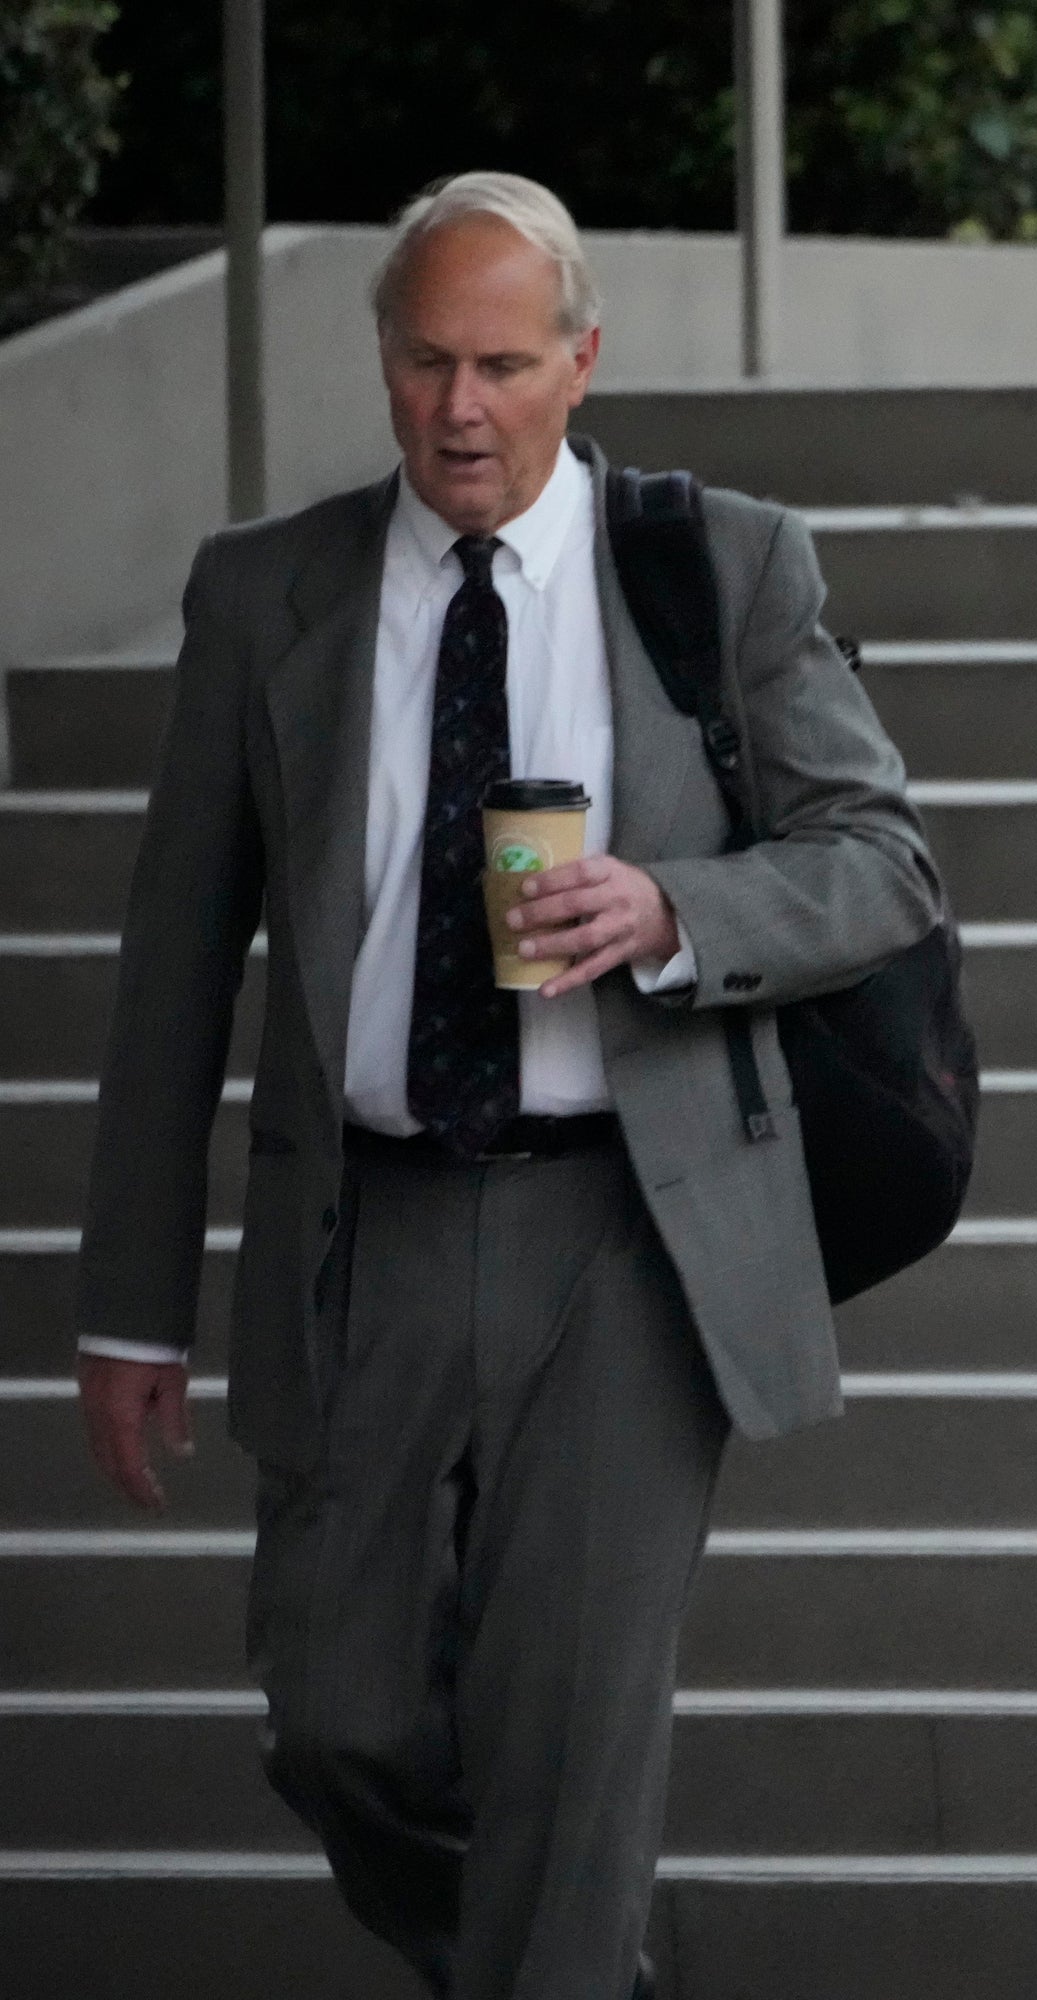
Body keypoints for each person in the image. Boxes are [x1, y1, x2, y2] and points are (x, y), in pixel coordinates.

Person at [71, 172, 939, 2000]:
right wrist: (132, 1307)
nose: (459, 409)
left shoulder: (719, 566)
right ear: (382, 363)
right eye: (422, 364)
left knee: (570, 1746)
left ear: (581, 361)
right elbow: (171, 977)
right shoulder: (266, 593)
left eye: (500, 365)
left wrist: (675, 906)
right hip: (362, 1226)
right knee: (337, 1719)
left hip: (628, 1233)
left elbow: (881, 863)